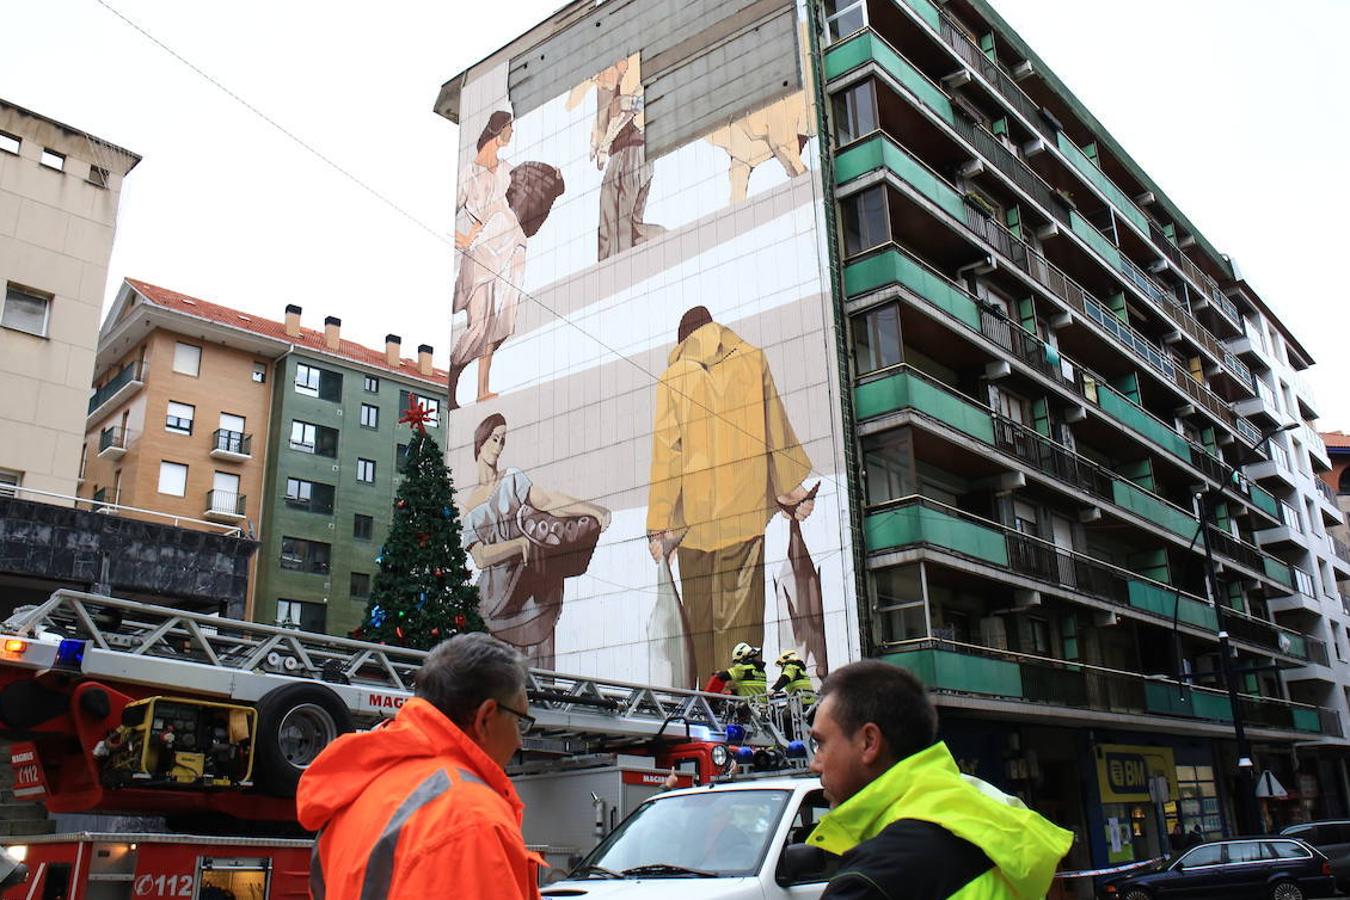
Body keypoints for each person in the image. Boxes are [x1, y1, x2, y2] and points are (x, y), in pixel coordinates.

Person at [298, 632, 542, 900]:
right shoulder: (470, 817)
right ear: (485, 718)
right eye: (519, 721)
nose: (519, 740)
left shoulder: (361, 792)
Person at [806, 661, 1072, 899]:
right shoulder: (988, 818)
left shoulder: (873, 880)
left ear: (869, 742)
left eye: (820, 743)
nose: (814, 764)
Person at [647, 305, 816, 680]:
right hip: (743, 515)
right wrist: (790, 489)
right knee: (740, 630)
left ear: (682, 339)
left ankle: (707, 712)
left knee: (699, 631)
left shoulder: (672, 377)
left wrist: (659, 524)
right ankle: (743, 713)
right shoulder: (753, 359)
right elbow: (775, 428)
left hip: (692, 525)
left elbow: (667, 455)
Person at [463, 413, 611, 668]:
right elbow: (480, 557)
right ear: (480, 441)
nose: (498, 447)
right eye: (494, 439)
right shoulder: (469, 507)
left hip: (532, 590)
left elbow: (547, 500)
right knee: (499, 675)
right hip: (494, 602)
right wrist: (518, 545)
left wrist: (593, 510)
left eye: (502, 441)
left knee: (539, 671)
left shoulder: (511, 479)